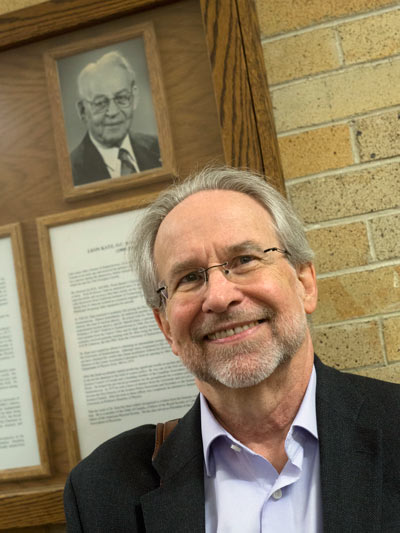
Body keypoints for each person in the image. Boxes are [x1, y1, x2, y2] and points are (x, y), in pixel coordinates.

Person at [64, 167, 400, 532]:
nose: (220, 297)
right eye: (189, 277)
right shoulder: (102, 491)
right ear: (166, 328)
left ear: (305, 283)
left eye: (244, 260)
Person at [70, 51, 161, 186]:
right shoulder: (72, 172)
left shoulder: (158, 148)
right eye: (100, 103)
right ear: (82, 111)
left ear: (134, 97)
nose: (112, 112)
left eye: (121, 98)